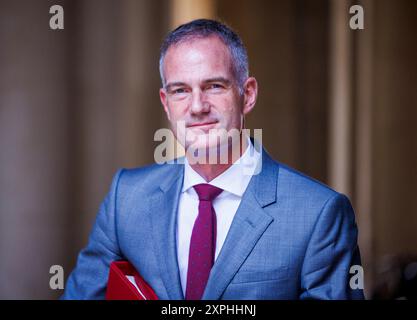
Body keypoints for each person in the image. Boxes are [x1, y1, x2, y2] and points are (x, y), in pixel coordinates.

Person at [62, 19, 364, 300]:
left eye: (214, 86)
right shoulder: (126, 198)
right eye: (180, 90)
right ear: (166, 104)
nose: (197, 106)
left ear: (247, 94)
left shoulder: (318, 213)